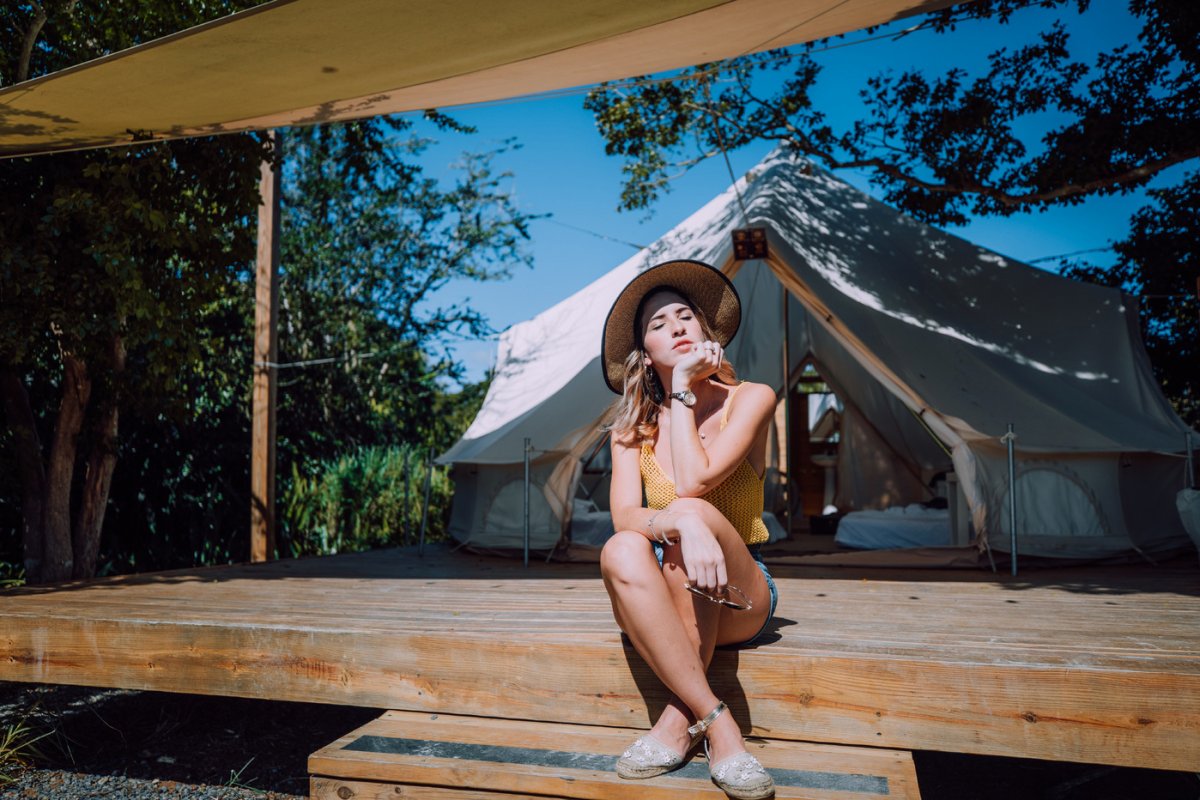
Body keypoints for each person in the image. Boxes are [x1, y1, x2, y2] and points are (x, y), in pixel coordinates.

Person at [599, 259, 779, 800]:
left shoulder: (751, 398)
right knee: (621, 549)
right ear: (644, 353)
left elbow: (696, 482)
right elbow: (625, 517)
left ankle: (676, 725)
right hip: (668, 587)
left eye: (685, 317)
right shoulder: (630, 432)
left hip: (742, 597)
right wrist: (676, 520)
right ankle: (718, 723)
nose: (676, 327)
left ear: (706, 332)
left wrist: (682, 390)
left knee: (693, 514)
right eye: (658, 324)